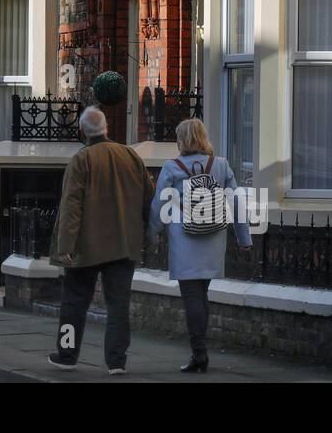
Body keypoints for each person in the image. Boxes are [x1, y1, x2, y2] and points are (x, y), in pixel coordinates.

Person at [48, 106, 152, 375]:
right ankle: (116, 362)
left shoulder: (81, 160)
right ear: (106, 128)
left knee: (73, 303)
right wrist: (144, 234)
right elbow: (148, 199)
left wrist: (66, 246)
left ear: (82, 131)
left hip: (86, 247)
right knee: (119, 305)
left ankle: (66, 354)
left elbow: (72, 205)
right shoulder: (131, 155)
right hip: (124, 245)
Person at [147, 117, 251, 373]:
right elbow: (236, 201)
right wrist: (244, 237)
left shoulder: (173, 167)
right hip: (214, 236)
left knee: (192, 295)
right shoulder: (221, 165)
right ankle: (200, 350)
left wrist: (151, 236)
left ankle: (199, 353)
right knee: (201, 293)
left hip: (186, 237)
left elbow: (159, 205)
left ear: (182, 139)